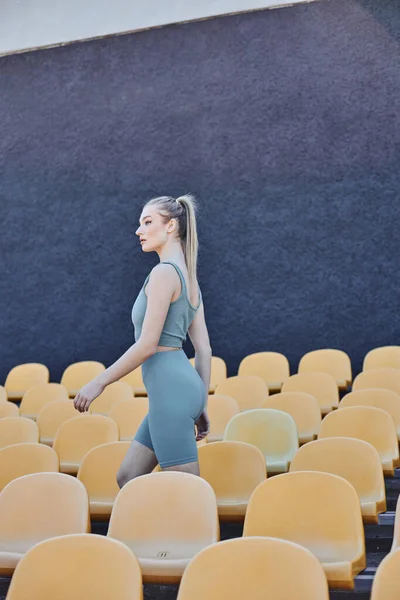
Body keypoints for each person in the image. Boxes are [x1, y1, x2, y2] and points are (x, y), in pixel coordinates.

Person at [73, 194, 212, 484]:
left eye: (147, 222)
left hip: (171, 392)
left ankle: (195, 530)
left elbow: (148, 345)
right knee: (128, 477)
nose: (139, 230)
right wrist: (199, 405)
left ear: (171, 226)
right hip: (181, 390)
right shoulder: (190, 278)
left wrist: (99, 381)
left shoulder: (163, 273)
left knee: (186, 491)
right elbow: (204, 350)